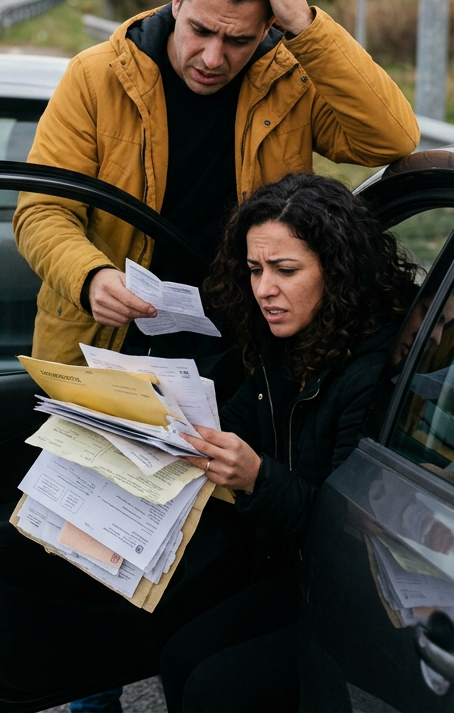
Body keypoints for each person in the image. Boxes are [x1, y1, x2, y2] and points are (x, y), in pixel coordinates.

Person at [13, 0, 420, 368]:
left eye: (238, 40)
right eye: (200, 30)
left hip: (245, 354)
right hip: (106, 345)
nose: (212, 57)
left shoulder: (291, 81)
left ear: (269, 25)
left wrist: (306, 26)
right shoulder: (96, 78)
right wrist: (89, 277)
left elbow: (390, 138)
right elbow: (42, 210)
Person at [158, 173, 420, 713]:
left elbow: (344, 533)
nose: (263, 290)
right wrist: (161, 421)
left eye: (285, 270)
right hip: (293, 569)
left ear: (338, 270)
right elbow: (238, 420)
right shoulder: (288, 337)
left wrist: (257, 479)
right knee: (181, 654)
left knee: (217, 689)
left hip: (358, 594)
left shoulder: (377, 370)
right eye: (254, 269)